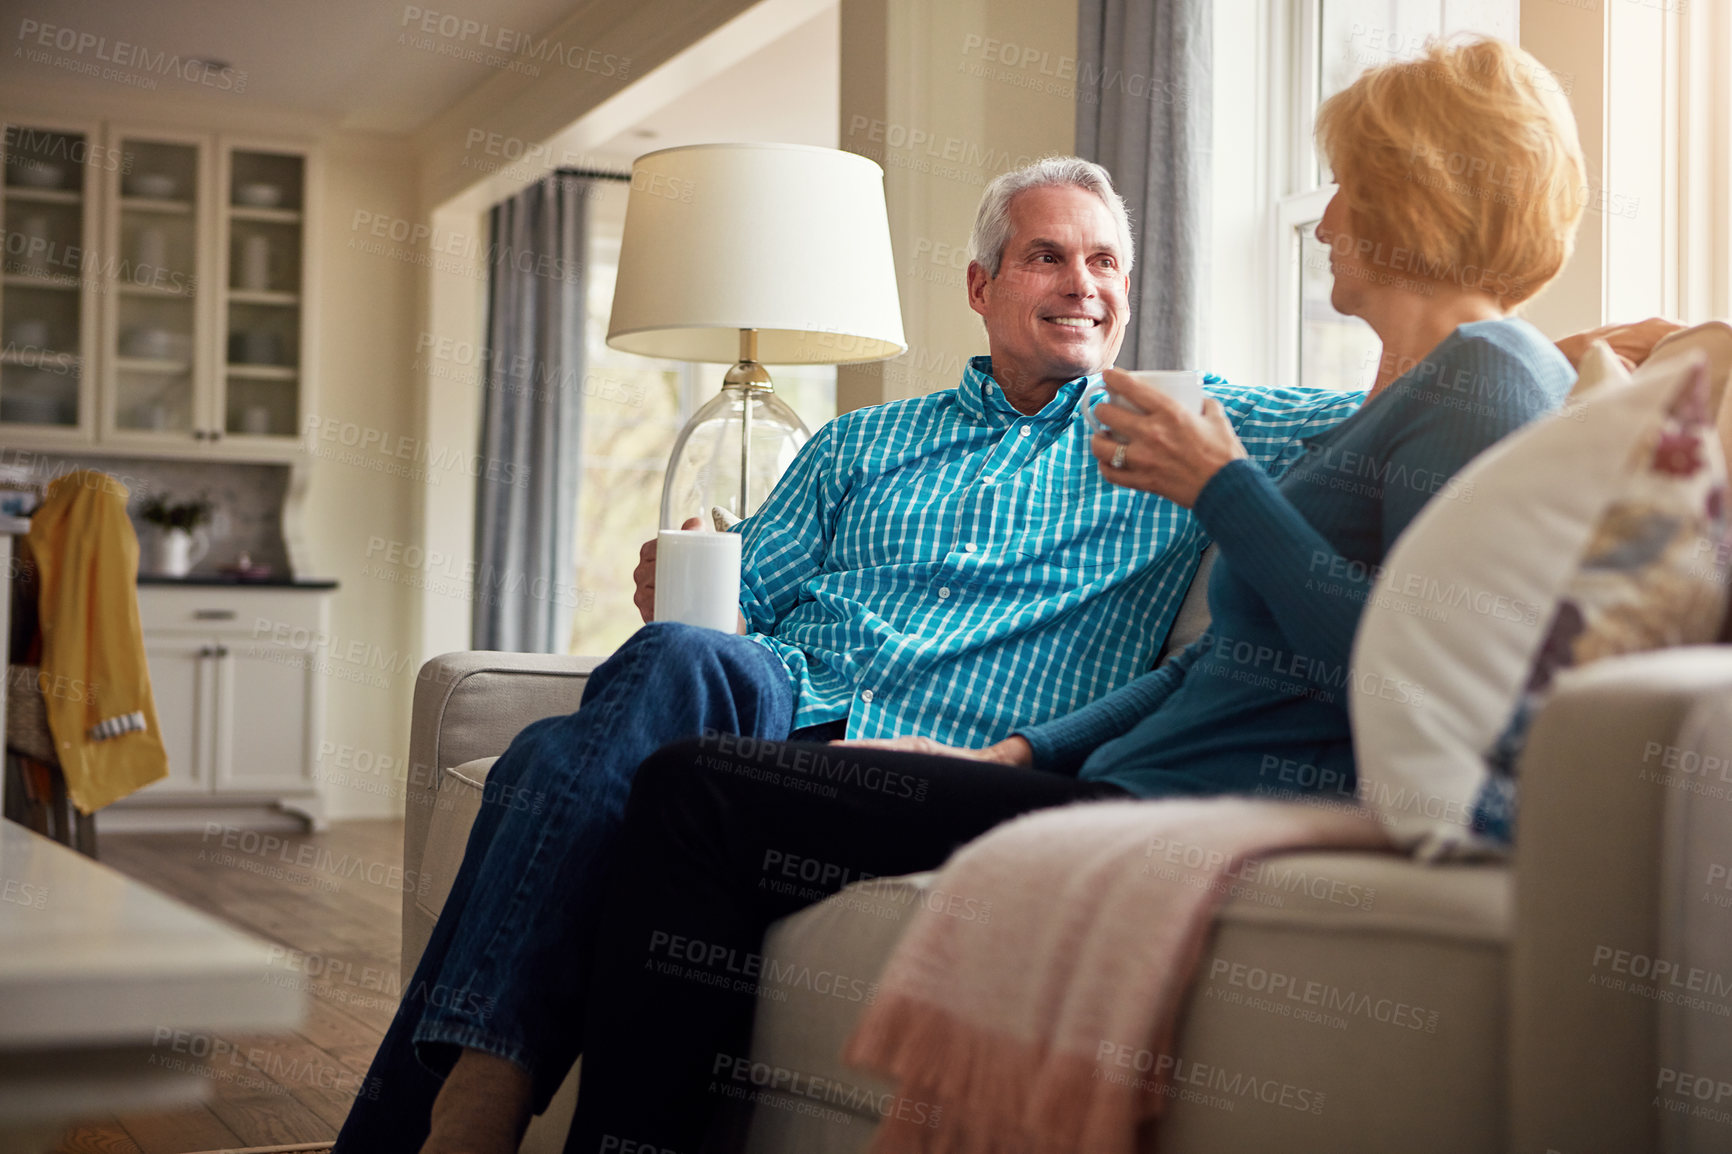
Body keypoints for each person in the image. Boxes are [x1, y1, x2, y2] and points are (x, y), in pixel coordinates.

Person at [562, 36, 1593, 1153]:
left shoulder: (1492, 373)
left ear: (1416, 192)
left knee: (696, 793)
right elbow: (1203, 664)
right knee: (685, 785)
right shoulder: (1421, 390)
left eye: (1349, 185)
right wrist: (1015, 754)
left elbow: (1412, 662)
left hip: (1161, 809)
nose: (1325, 217)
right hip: (1101, 778)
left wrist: (1220, 488)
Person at [337, 157, 1362, 1154]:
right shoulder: (858, 443)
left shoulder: (1177, 427)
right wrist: (684, 577)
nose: (1082, 285)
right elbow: (726, 616)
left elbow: (1395, 409)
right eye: (1047, 257)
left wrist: (1507, 340)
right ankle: (475, 1104)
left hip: (927, 760)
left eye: (1104, 263)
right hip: (773, 698)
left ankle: (457, 1105)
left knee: (542, 765)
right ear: (981, 283)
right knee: (682, 650)